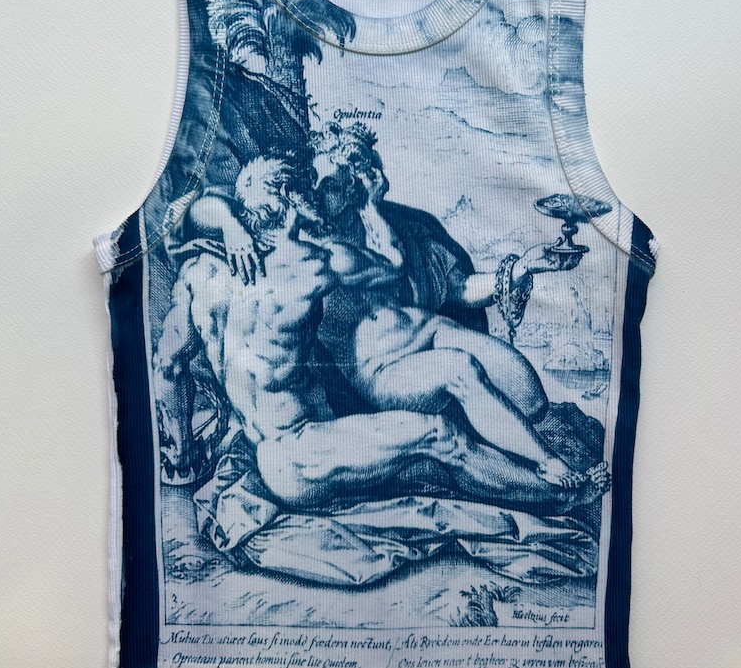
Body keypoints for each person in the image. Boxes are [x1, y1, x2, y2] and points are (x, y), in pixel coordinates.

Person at [154, 156, 590, 511]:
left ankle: (543, 467)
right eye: (310, 188)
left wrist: (180, 457)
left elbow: (168, 364)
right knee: (442, 436)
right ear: (289, 195)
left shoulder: (199, 273)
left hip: (283, 446)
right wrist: (370, 205)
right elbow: (391, 266)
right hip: (301, 452)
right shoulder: (314, 262)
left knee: (485, 404)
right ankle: (561, 495)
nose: (316, 196)